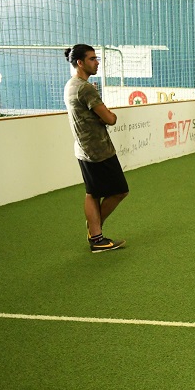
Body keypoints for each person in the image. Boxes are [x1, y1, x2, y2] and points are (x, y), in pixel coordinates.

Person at [63, 44, 128, 253]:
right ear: (80, 63)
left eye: (96, 58)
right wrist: (111, 116)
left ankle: (95, 231)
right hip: (98, 150)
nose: (97, 62)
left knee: (93, 193)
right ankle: (96, 233)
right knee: (119, 191)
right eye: (92, 59)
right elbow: (110, 118)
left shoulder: (71, 85)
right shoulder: (85, 88)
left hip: (84, 148)